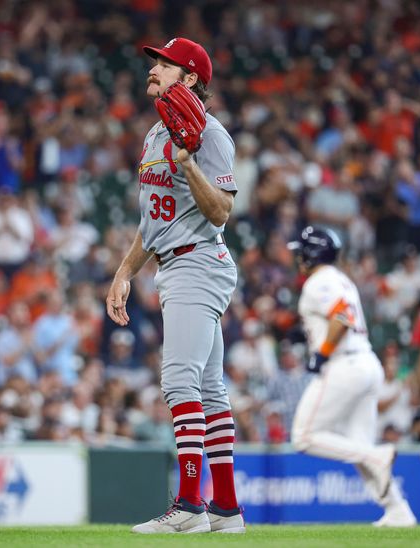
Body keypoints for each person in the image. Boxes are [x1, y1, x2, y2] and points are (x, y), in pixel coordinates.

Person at [105, 37, 243, 534]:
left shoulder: (211, 134)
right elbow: (152, 221)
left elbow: (222, 211)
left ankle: (189, 504)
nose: (154, 69)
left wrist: (187, 162)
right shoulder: (152, 136)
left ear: (190, 80)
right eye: (155, 62)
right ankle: (226, 510)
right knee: (208, 389)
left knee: (177, 382)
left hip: (198, 262)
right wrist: (125, 271)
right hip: (175, 260)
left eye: (166, 64)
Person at [287, 226, 416, 527]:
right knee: (358, 443)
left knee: (303, 437)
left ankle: (377, 455)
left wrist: (322, 352)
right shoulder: (340, 278)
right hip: (366, 363)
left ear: (311, 254)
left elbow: (342, 315)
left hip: (344, 365)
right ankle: (398, 510)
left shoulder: (319, 281)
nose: (298, 258)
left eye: (302, 252)